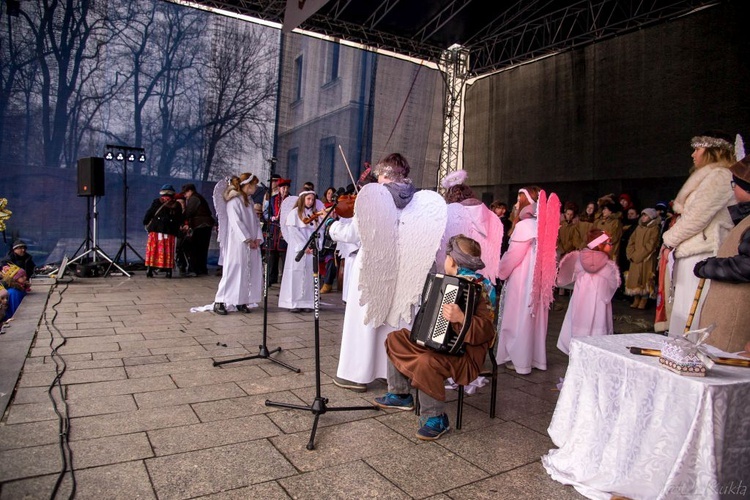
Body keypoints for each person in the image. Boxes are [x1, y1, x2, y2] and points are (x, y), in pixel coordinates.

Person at [328, 153, 446, 392]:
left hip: (372, 265)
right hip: (401, 269)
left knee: (365, 320)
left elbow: (353, 235)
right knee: (392, 322)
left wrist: (333, 228)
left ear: (385, 175)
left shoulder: (374, 198)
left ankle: (356, 375)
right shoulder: (418, 201)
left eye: (379, 175)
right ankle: (387, 373)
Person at [374, 235, 496, 440]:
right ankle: (401, 394)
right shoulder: (449, 282)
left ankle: (436, 417)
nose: (445, 261)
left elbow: (487, 331)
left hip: (466, 355)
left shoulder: (483, 289)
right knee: (396, 338)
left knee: (426, 361)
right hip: (442, 347)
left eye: (447, 257)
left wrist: (461, 319)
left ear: (453, 261)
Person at [662, 131, 735, 335]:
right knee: (683, 309)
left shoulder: (720, 176)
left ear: (713, 151)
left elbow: (696, 218)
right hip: (692, 249)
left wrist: (668, 240)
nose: (693, 155)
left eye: (697, 149)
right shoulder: (712, 176)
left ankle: (689, 355)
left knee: (692, 311)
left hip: (703, 252)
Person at [496, 186, 559, 374]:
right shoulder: (544, 226)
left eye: (519, 199)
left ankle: (518, 359)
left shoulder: (524, 226)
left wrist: (500, 271)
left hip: (522, 280)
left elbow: (513, 256)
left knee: (519, 317)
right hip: (538, 280)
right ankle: (534, 358)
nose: (515, 204)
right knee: (534, 318)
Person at [693, 154, 750, 352]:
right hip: (727, 309)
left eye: (736, 185)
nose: (733, 189)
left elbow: (747, 266)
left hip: (735, 316)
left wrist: (710, 266)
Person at [556, 230, 620, 355]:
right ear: (600, 244)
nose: (611, 245)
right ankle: (596, 348)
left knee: (578, 319)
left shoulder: (580, 259)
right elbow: (611, 287)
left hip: (580, 299)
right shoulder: (607, 264)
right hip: (598, 301)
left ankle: (574, 345)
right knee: (597, 320)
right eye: (608, 242)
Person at [438, 170, 504, 283]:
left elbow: (445, 248)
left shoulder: (452, 214)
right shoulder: (490, 217)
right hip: (482, 278)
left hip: (456, 275)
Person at [213, 173, 263, 315]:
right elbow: (236, 223)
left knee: (247, 271)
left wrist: (258, 238)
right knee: (233, 270)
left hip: (251, 243)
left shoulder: (249, 201)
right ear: (247, 185)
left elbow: (255, 221)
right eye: (254, 184)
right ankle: (220, 300)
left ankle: (241, 300)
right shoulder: (233, 201)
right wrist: (247, 239)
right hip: (238, 243)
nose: (256, 187)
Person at [278, 191, 321, 313]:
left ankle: (307, 302)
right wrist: (303, 246)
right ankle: (294, 302)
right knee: (295, 274)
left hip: (311, 249)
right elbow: (294, 232)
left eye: (312, 199)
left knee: (309, 275)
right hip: (299, 249)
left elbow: (319, 231)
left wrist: (315, 245)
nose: (311, 202)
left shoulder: (314, 214)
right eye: (308, 199)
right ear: (303, 199)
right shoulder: (294, 213)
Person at [143, 184, 183, 278]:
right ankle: (168, 270)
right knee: (167, 251)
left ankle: (150, 268)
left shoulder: (157, 202)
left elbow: (150, 213)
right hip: (169, 232)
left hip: (155, 230)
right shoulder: (176, 205)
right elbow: (179, 218)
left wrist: (145, 222)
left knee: (154, 250)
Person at [624, 208, 661, 309]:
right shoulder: (638, 228)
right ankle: (636, 298)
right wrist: (631, 254)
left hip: (647, 258)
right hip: (635, 258)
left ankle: (644, 299)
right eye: (643, 215)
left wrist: (639, 255)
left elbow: (651, 244)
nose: (643, 217)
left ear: (651, 217)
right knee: (635, 278)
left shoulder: (654, 228)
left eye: (646, 216)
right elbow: (631, 241)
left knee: (645, 278)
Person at [180, 184, 215, 276]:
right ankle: (201, 269)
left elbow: (189, 212)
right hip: (205, 225)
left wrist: (180, 220)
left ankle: (194, 270)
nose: (185, 195)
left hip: (200, 225)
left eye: (185, 193)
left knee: (195, 248)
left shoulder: (194, 198)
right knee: (202, 249)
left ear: (190, 191)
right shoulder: (198, 197)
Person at [265, 178, 290, 285]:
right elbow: (266, 213)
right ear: (279, 188)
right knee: (271, 255)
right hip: (274, 229)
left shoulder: (291, 200)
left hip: (285, 230)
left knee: (285, 255)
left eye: (287, 188)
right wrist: (272, 218)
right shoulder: (272, 199)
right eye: (283, 188)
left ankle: (285, 280)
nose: (285, 190)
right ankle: (271, 278)